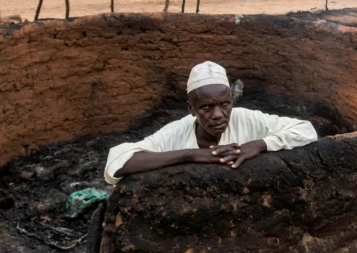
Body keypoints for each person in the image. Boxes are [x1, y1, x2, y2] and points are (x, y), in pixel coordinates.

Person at [104, 62, 318, 184]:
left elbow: (306, 130)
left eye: (225, 104)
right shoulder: (176, 131)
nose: (218, 114)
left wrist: (259, 145)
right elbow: (119, 161)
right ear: (191, 109)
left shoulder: (245, 118)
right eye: (206, 107)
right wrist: (192, 154)